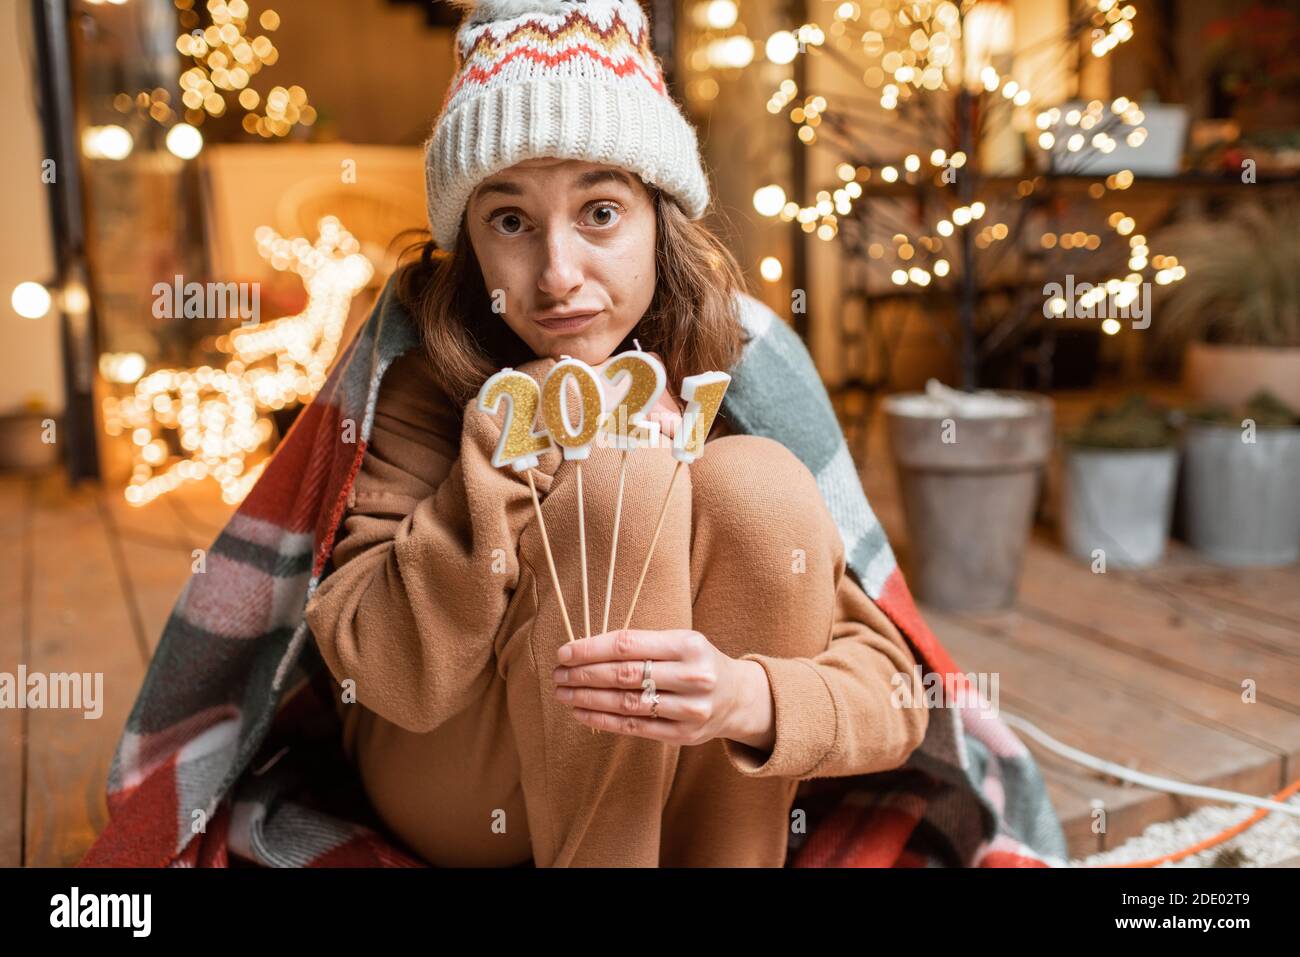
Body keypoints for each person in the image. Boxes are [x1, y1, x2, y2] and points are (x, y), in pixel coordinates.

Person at [303, 0, 928, 868]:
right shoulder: (420, 367)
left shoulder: (734, 359)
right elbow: (390, 675)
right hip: (462, 781)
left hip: (667, 783)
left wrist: (744, 696)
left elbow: (899, 696)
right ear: (470, 241)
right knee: (619, 471)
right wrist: (510, 440)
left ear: (659, 219)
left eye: (600, 212)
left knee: (761, 485)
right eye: (511, 221)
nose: (558, 276)